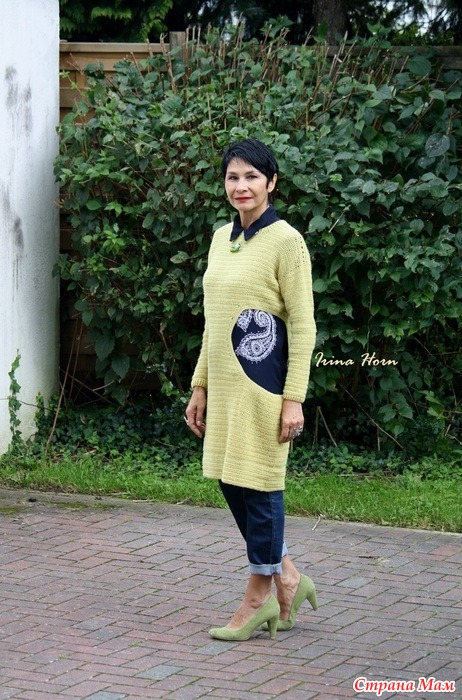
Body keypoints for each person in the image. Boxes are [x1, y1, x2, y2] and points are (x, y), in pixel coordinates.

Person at [185, 137, 317, 641]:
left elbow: (303, 326)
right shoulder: (222, 238)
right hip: (224, 385)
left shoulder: (287, 242)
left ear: (272, 182)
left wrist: (293, 398)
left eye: (252, 177)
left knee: (260, 485)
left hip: (263, 384)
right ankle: (290, 577)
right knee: (229, 479)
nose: (241, 186)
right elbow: (213, 322)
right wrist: (200, 385)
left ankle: (258, 596)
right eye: (232, 177)